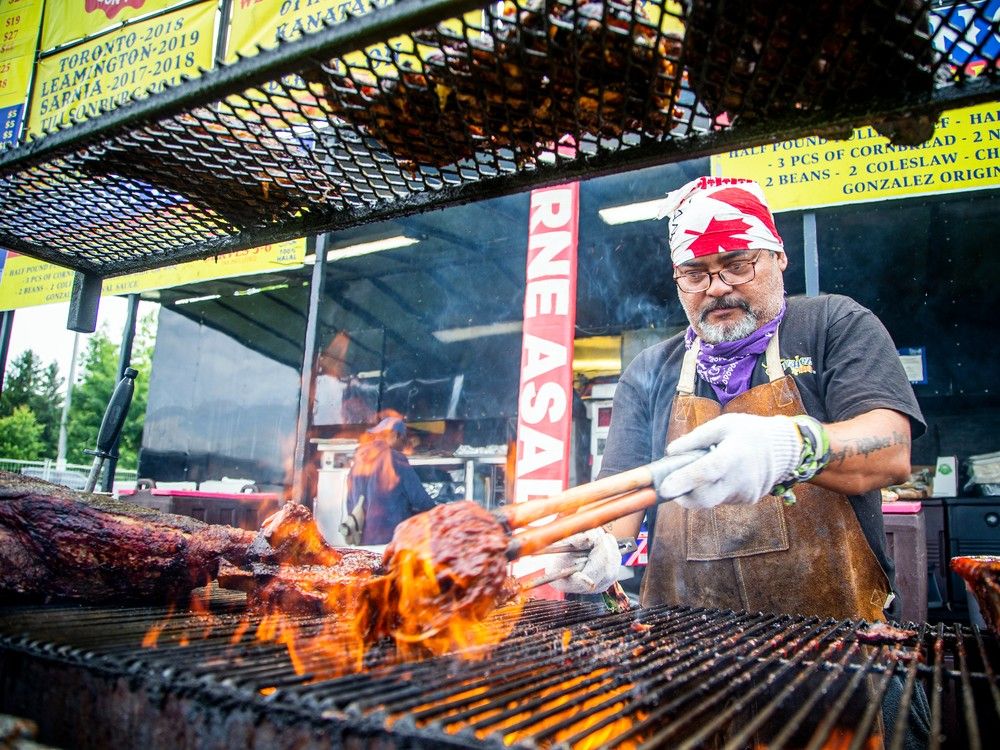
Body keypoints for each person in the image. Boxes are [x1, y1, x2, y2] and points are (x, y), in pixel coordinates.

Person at [544, 176, 929, 746]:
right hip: (686, 664)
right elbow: (619, 500)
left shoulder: (832, 325)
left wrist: (792, 448)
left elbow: (891, 447)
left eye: (737, 265)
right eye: (695, 275)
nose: (717, 288)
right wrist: (595, 544)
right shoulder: (652, 370)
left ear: (777, 257)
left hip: (835, 656)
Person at [344, 416, 436, 546]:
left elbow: (349, 503)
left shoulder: (358, 462)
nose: (404, 445)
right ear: (396, 436)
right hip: (391, 541)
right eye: (403, 439)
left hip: (363, 542)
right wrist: (441, 515)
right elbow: (420, 500)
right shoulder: (396, 459)